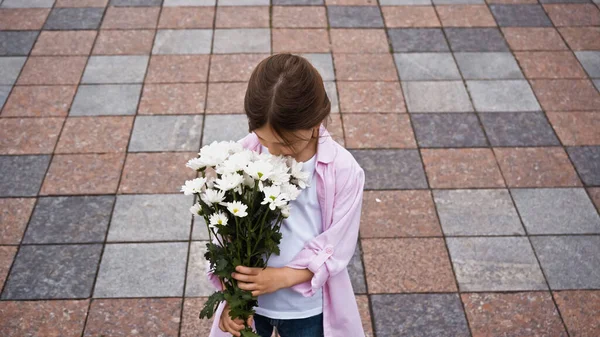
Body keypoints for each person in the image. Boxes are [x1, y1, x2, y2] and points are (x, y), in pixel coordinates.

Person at [205, 53, 366, 337]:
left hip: (307, 306)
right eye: (264, 140)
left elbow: (337, 245)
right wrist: (232, 297)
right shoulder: (244, 155)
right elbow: (228, 234)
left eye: (285, 143)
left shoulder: (343, 171)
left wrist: (284, 277)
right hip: (253, 303)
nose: (273, 151)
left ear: (316, 121)